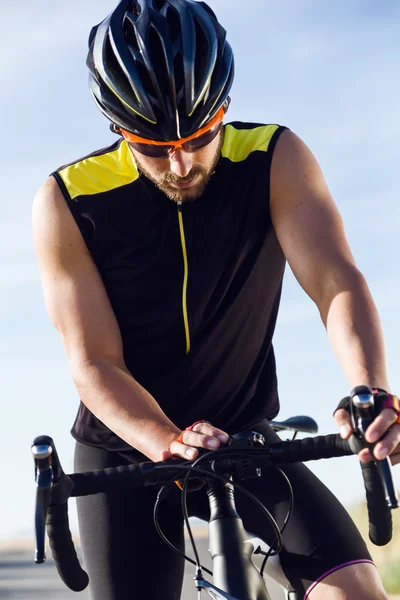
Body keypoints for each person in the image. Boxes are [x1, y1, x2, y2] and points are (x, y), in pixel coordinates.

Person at [33, 1, 399, 598]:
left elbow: (336, 283)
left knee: (357, 592)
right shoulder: (68, 199)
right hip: (125, 447)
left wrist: (369, 390)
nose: (180, 163)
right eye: (154, 146)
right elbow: (93, 362)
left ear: (223, 110)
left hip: (245, 435)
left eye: (200, 137)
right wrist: (165, 441)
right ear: (118, 128)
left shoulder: (274, 157)